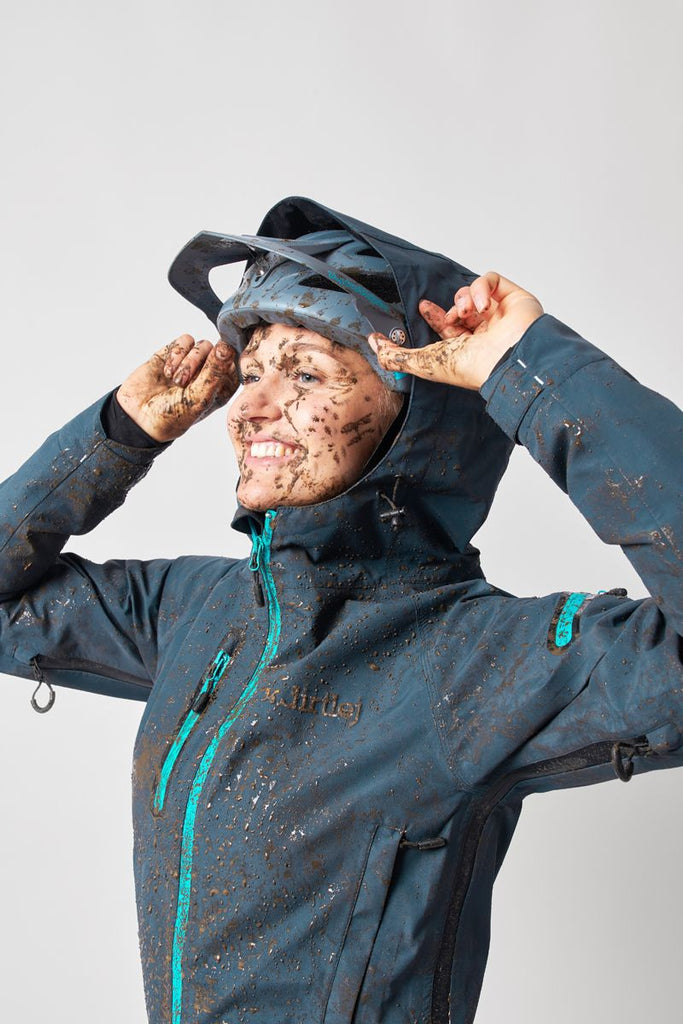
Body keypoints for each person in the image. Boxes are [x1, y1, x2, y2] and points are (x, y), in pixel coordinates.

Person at [0, 196, 680, 1024]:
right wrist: (117, 433)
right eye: (252, 371)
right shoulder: (196, 614)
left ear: (414, 419)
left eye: (306, 375)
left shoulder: (480, 663)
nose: (248, 408)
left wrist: (529, 368)